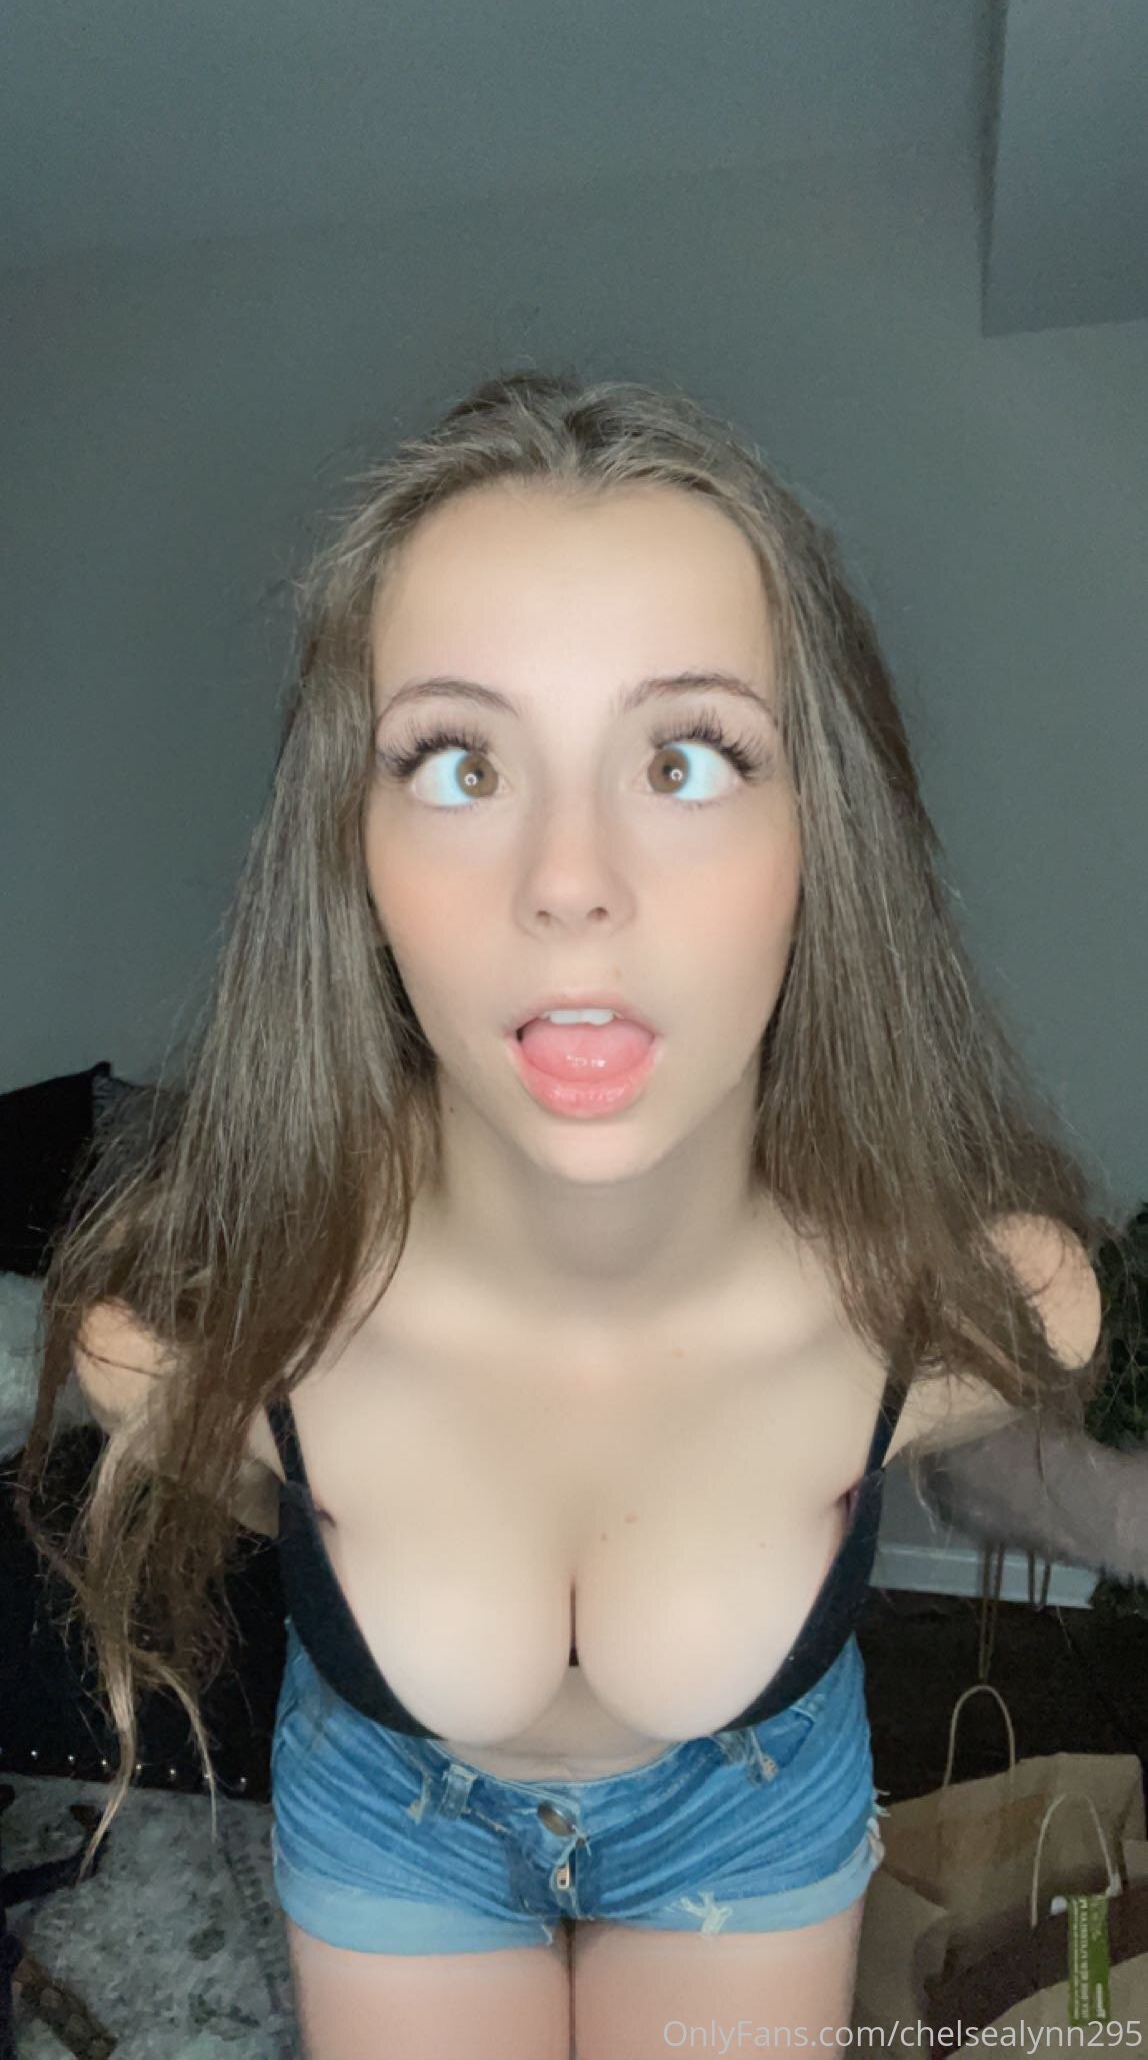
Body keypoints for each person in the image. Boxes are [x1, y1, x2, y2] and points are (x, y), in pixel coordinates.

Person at [20, 370, 1114, 2060]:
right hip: (387, 1820)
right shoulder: (185, 1328)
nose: (570, 881)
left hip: (756, 1817)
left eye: (686, 757)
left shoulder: (991, 1297)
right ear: (349, 852)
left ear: (822, 829)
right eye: (460, 762)